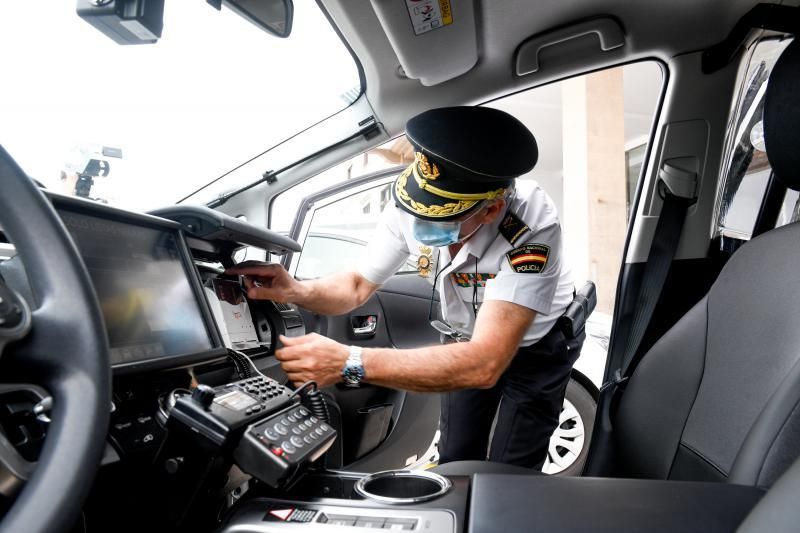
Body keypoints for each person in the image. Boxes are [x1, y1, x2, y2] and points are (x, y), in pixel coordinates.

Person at [228, 106, 579, 469]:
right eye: (418, 209)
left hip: (536, 345)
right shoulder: (415, 204)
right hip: (466, 339)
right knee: (456, 458)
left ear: (490, 211)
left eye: (440, 215)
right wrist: (294, 290)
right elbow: (356, 284)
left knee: (512, 469)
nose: (419, 221)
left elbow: (486, 362)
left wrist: (350, 361)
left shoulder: (529, 226)